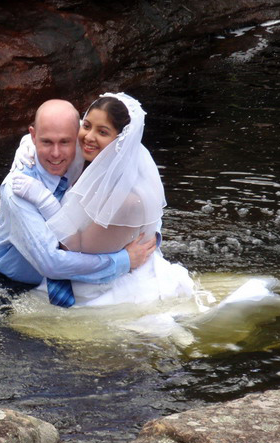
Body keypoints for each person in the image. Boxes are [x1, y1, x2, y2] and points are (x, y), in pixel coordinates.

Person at [10, 92, 194, 307]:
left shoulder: (126, 199)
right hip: (81, 271)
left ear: (120, 141)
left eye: (102, 132)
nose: (88, 137)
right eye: (86, 126)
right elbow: (52, 130)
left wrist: (43, 200)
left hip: (105, 287)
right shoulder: (93, 155)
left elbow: (74, 247)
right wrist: (26, 146)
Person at [0, 99, 156, 307]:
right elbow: (52, 263)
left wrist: (152, 236)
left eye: (65, 142)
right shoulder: (19, 189)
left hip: (77, 282)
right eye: (46, 142)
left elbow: (146, 203)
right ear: (34, 136)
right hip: (14, 287)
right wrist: (124, 260)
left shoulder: (89, 153)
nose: (56, 153)